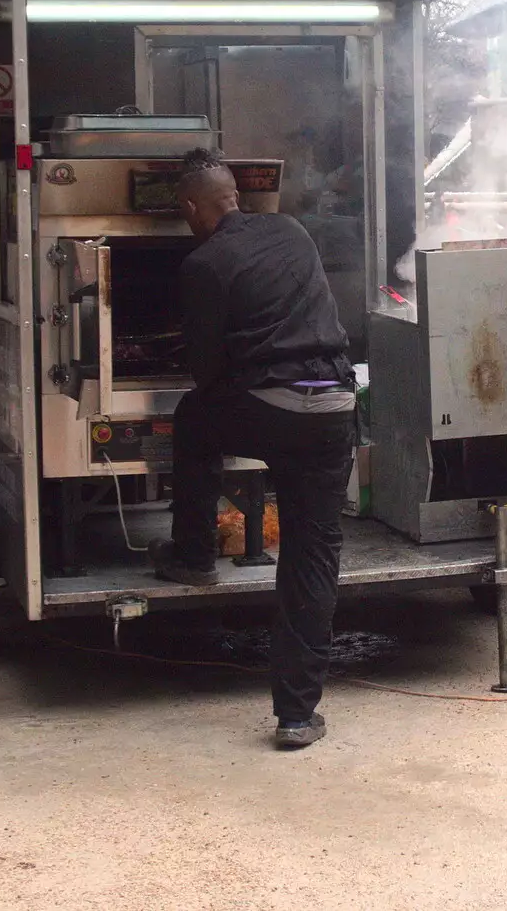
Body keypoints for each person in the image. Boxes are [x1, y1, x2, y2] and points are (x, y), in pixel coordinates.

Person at [152, 147, 356, 749]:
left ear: (193, 207)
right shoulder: (291, 230)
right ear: (235, 195)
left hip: (270, 409)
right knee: (311, 555)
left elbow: (207, 369)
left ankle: (192, 554)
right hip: (335, 406)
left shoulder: (204, 264)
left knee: (193, 418)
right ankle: (296, 717)